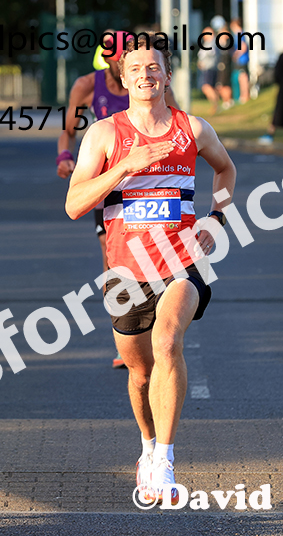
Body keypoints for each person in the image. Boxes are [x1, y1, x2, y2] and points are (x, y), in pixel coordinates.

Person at [64, 32, 237, 504]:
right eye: (136, 68)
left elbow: (226, 170)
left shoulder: (193, 128)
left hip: (180, 260)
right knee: (139, 373)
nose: (145, 74)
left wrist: (217, 217)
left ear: (166, 74)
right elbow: (74, 205)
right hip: (124, 270)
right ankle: (146, 445)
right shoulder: (103, 134)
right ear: (122, 76)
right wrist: (125, 167)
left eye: (154, 67)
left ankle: (164, 459)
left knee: (168, 340)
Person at [56, 31, 179, 369]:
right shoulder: (86, 85)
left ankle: (156, 329)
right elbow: (69, 128)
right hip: (109, 182)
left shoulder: (149, 79)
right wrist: (65, 155)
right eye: (114, 58)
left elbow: (175, 120)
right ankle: (127, 337)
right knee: (113, 259)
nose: (118, 62)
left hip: (150, 186)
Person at [212, 15, 235, 109]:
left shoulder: (227, 41)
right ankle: (226, 101)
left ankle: (228, 101)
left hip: (225, 63)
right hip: (221, 62)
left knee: (223, 83)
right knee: (220, 84)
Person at [197, 26, 220, 114]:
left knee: (206, 87)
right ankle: (215, 105)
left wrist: (204, 63)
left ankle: (215, 105)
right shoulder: (208, 43)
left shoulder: (212, 43)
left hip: (209, 68)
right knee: (210, 87)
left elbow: (210, 54)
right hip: (207, 68)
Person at [231, 18, 251, 104]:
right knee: (241, 78)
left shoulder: (239, 34)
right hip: (242, 60)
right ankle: (243, 95)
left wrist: (236, 54)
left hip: (242, 60)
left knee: (243, 78)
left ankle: (245, 96)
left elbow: (243, 47)